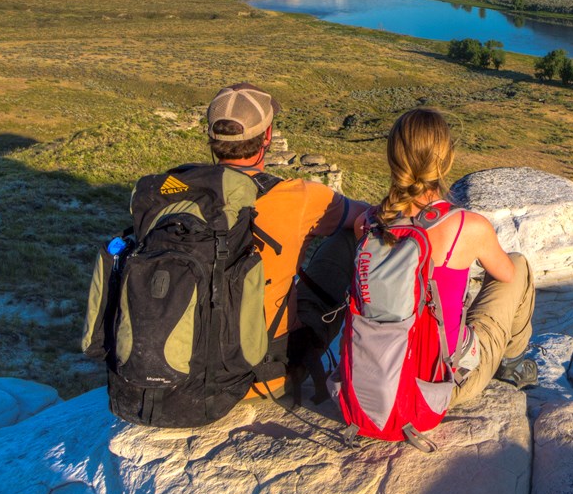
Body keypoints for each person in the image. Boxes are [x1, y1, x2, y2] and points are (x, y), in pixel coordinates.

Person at [298, 107, 536, 405]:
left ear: (393, 158)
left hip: (374, 381)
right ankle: (513, 366)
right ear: (446, 161)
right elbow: (507, 276)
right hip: (440, 386)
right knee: (517, 264)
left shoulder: (368, 224)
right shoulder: (468, 226)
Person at [205, 82, 368, 400]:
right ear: (267, 137)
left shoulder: (167, 192)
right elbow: (368, 217)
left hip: (178, 372)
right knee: (348, 236)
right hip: (261, 376)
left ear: (211, 138)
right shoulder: (297, 196)